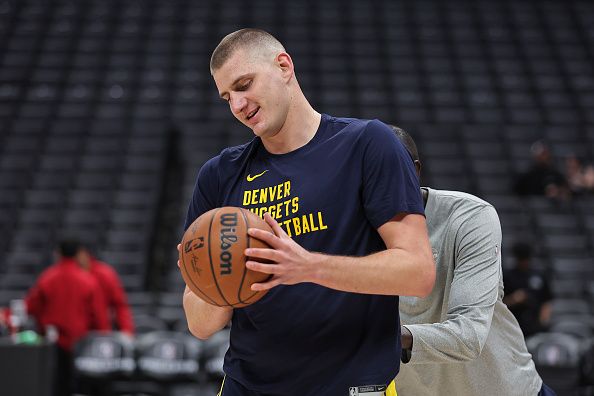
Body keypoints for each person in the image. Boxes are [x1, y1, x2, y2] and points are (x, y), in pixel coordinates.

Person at [181, 28, 435, 396]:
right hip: (246, 386)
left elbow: (418, 272)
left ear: (283, 66)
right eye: (227, 97)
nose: (237, 105)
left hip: (352, 385)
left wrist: (306, 266)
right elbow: (200, 325)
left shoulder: (368, 144)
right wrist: (214, 283)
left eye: (244, 84)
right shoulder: (219, 174)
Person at [392, 126, 556, 396]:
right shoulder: (348, 232)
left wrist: (384, 336)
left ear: (415, 170)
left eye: (386, 170)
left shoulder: (469, 217)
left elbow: (468, 336)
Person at [26, 239, 109, 396]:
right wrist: (102, 336)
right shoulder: (88, 280)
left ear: (58, 253)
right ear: (78, 254)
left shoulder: (47, 277)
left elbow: (32, 306)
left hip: (54, 344)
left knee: (56, 385)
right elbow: (99, 315)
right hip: (81, 344)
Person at [77, 244, 135, 335]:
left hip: (102, 332)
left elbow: (120, 304)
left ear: (86, 254)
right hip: (77, 334)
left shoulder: (104, 273)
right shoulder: (69, 277)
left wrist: (127, 331)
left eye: (79, 255)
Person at [503, 242, 552, 337]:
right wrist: (514, 299)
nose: (524, 262)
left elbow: (546, 300)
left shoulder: (539, 275)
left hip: (535, 324)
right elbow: (500, 303)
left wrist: (544, 320)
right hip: (513, 324)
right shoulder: (508, 276)